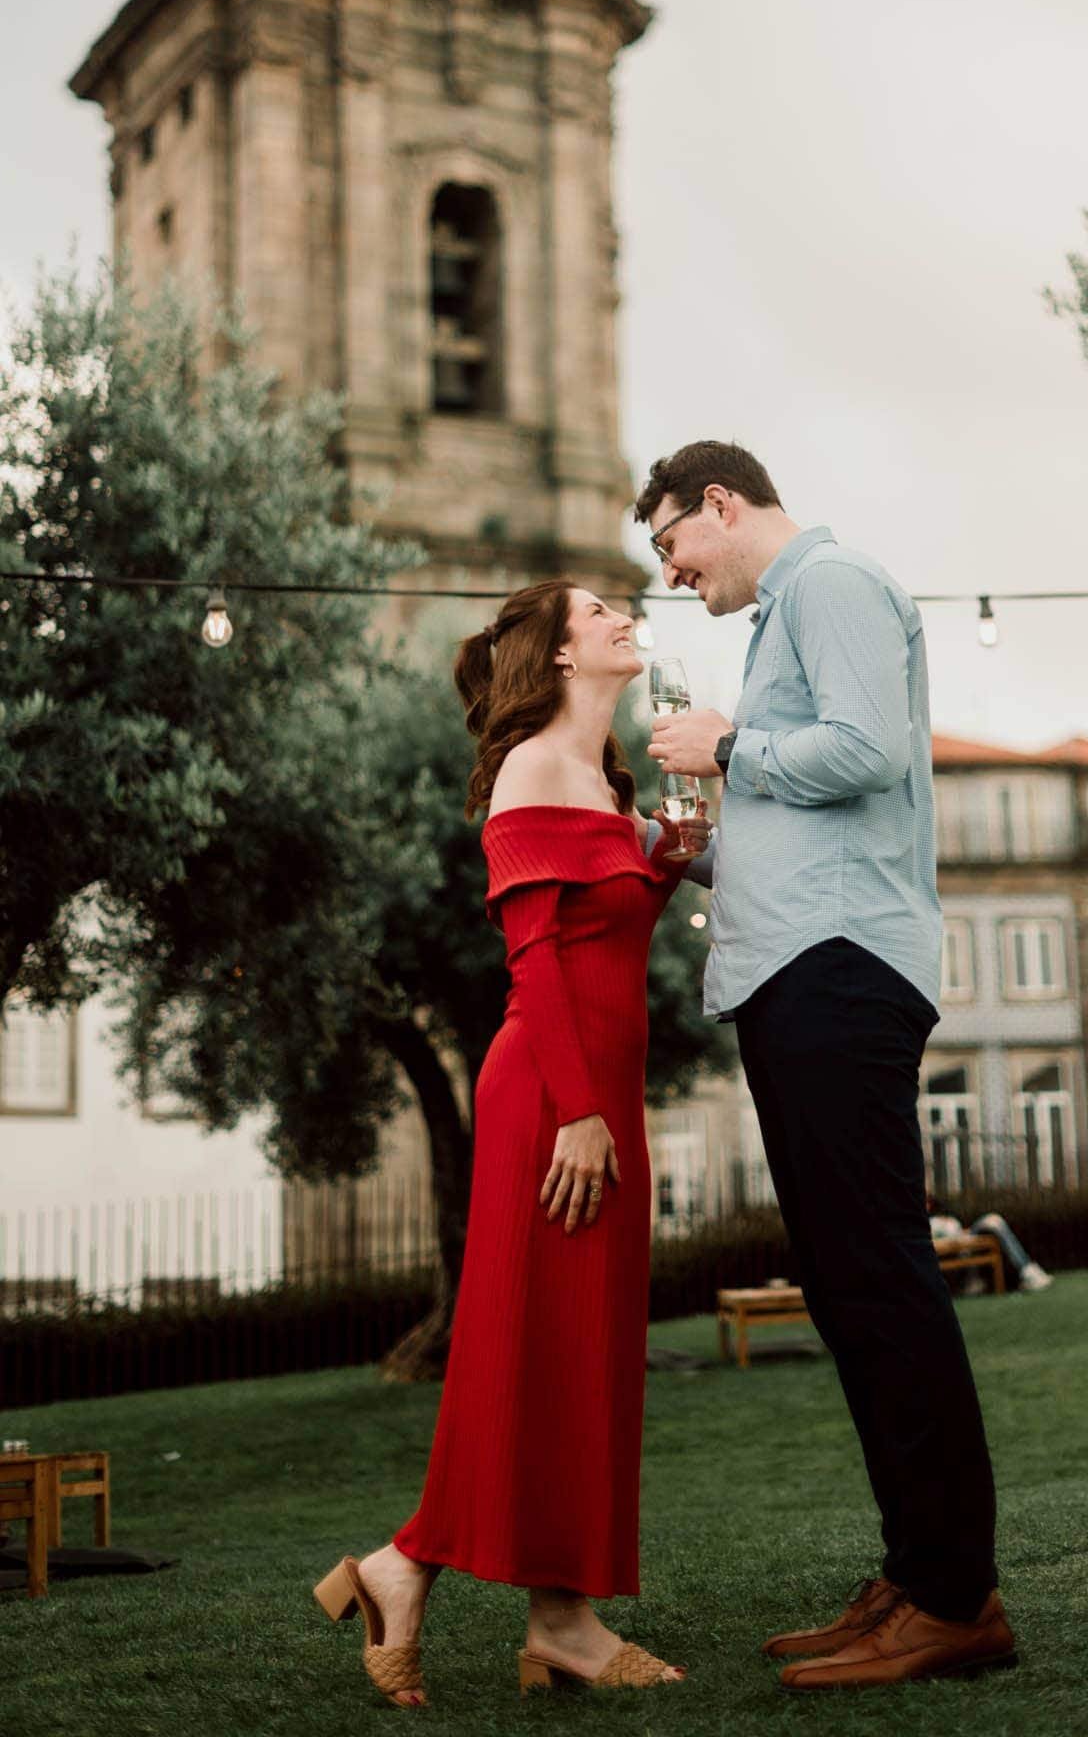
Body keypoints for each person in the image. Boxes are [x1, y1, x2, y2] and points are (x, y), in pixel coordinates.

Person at [639, 441, 1016, 1690]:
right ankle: (919, 1571)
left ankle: (956, 1596)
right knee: (849, 1286)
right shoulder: (781, 618)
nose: (673, 573)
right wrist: (676, 846)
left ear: (720, 502)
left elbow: (863, 754)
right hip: (797, 964)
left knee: (881, 1276)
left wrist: (727, 748)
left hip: (841, 968)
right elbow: (796, 818)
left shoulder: (835, 584)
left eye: (671, 544)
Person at [313, 580, 710, 1708]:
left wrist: (672, 853)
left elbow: (606, 923)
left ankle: (554, 1617)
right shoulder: (535, 766)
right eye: (598, 610)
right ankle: (431, 1573)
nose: (623, 614)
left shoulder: (600, 778)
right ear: (558, 651)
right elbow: (536, 955)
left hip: (596, 1095)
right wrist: (581, 1110)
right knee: (523, 1339)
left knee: (577, 1347)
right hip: (554, 1094)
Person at [926, 1193, 1053, 1293]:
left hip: (967, 1240)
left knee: (994, 1221)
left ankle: (1027, 1269)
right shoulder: (928, 1223)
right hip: (960, 1246)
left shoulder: (940, 1215)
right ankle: (1027, 1271)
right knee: (993, 1221)